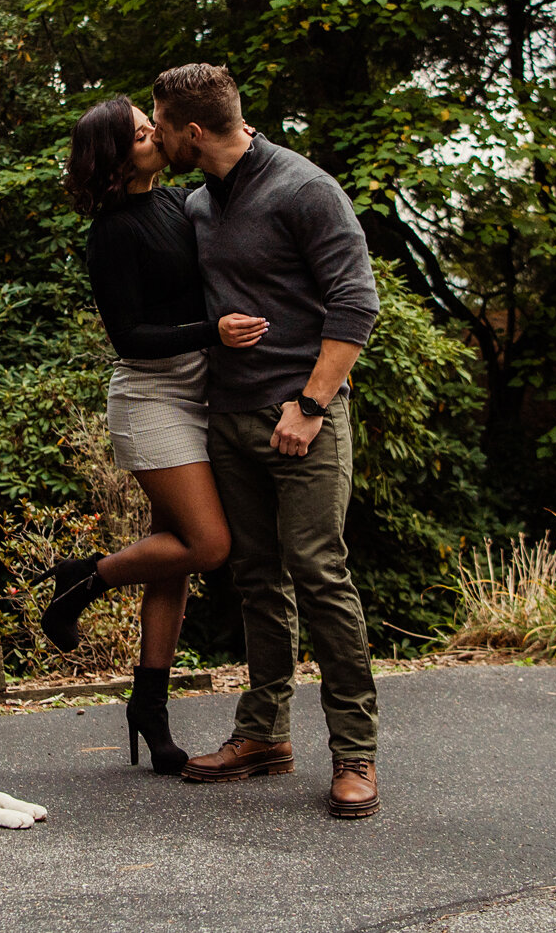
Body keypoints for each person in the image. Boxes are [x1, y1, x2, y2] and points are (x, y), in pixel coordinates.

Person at [148, 62, 385, 821]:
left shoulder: (304, 188)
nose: (154, 136)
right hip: (229, 418)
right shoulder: (196, 205)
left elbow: (356, 301)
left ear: (193, 131)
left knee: (318, 574)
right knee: (255, 577)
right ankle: (264, 735)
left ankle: (354, 753)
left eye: (159, 125)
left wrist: (312, 403)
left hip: (303, 418)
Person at [47, 95, 266, 774]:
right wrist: (212, 331)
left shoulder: (182, 201)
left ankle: (150, 705)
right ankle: (83, 578)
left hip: (201, 390)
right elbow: (130, 335)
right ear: (118, 156)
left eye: (154, 126)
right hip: (152, 397)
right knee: (207, 544)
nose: (156, 135)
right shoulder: (110, 233)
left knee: (174, 558)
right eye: (142, 133)